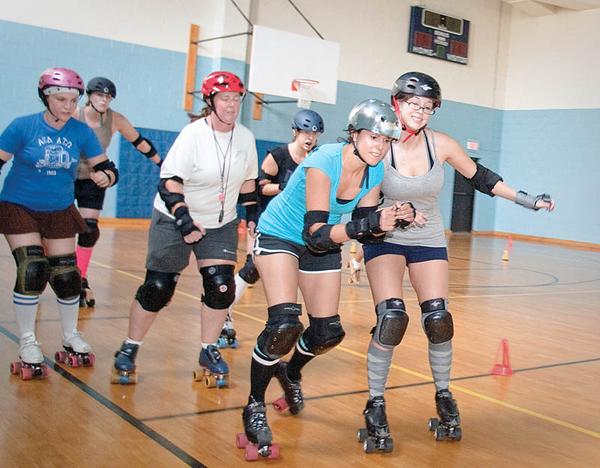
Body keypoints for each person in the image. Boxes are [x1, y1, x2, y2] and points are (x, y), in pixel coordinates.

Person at [359, 72, 555, 449]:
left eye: (427, 106)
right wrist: (396, 212)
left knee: (438, 318)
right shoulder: (380, 144)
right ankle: (375, 402)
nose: (419, 111)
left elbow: (482, 178)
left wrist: (528, 201)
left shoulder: (441, 144)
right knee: (392, 318)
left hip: (428, 240)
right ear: (396, 103)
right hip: (384, 239)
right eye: (412, 104)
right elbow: (363, 207)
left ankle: (444, 396)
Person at [239, 99, 416, 458]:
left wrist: (394, 218)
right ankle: (254, 406)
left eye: (385, 141)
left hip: (321, 243)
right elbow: (316, 234)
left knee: (327, 333)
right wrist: (370, 223)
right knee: (284, 325)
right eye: (372, 138)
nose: (379, 147)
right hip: (281, 236)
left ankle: (290, 373)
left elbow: (365, 231)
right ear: (353, 135)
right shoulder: (323, 162)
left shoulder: (375, 171)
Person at [111, 71, 258, 386]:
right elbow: (169, 183)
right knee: (158, 288)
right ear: (210, 102)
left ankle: (208, 349)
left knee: (221, 286)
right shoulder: (193, 135)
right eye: (224, 99)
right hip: (176, 218)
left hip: (221, 223)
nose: (231, 105)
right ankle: (130, 346)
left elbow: (248, 183)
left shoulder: (245, 137)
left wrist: (253, 215)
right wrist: (184, 219)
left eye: (236, 99)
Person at [0, 67, 119, 379]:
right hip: (19, 205)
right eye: (62, 99)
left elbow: (107, 167)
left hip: (60, 208)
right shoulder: (22, 126)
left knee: (67, 275)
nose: (68, 106)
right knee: (33, 268)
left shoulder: (80, 132)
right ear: (46, 97)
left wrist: (105, 176)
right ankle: (27, 339)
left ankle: (70, 335)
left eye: (73, 100)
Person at [218, 109, 325, 348]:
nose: (310, 137)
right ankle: (223, 314)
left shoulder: (316, 158)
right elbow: (259, 188)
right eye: (305, 132)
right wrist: (284, 188)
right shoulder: (278, 155)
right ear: (295, 132)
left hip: (298, 226)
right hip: (270, 222)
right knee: (251, 269)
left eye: (315, 134)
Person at [73, 77, 162, 308]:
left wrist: (163, 165)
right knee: (52, 225)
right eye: (100, 95)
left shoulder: (116, 119)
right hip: (66, 176)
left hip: (94, 177)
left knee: (89, 230)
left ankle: (80, 279)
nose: (104, 100)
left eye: (108, 97)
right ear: (89, 96)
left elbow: (140, 142)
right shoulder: (74, 115)